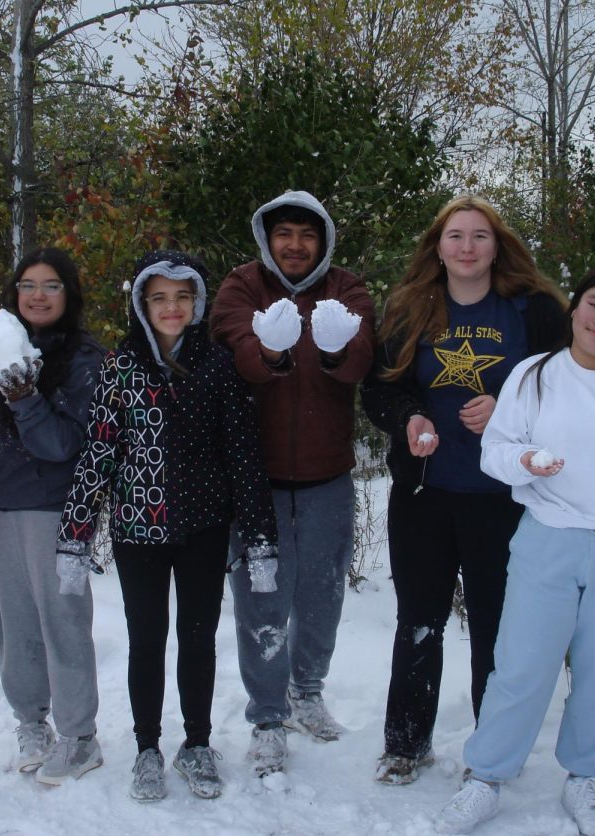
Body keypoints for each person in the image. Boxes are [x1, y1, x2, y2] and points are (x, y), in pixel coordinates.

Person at [437, 262, 595, 836]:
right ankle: (486, 776)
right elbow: (495, 451)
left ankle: (583, 776)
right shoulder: (533, 375)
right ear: (575, 309)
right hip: (546, 538)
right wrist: (525, 460)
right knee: (521, 665)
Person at [56, 249, 277, 802]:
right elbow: (99, 453)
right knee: (146, 640)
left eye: (182, 297)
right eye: (159, 298)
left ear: (197, 302)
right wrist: (76, 535)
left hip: (204, 528)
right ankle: (147, 748)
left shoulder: (219, 366)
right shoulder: (121, 367)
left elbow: (243, 455)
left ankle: (196, 744)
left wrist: (259, 537)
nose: (171, 307)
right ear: (142, 305)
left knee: (198, 640)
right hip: (138, 531)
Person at [360, 196, 567, 785]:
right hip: (425, 494)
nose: (468, 247)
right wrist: (409, 420)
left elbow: (573, 388)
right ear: (438, 246)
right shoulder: (409, 310)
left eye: (480, 236)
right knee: (418, 620)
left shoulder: (535, 310)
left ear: (497, 245)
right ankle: (405, 745)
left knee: (496, 626)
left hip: (504, 498)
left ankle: (493, 749)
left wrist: (510, 409)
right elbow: (378, 391)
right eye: (456, 236)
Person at [209, 190, 376, 776]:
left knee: (322, 593)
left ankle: (307, 690)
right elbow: (235, 348)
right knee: (261, 600)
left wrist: (335, 350)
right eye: (285, 233)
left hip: (329, 476)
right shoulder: (240, 287)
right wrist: (271, 352)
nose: (296, 245)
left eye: (308, 234)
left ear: (323, 240)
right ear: (267, 238)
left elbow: (360, 358)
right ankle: (268, 716)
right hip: (257, 480)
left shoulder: (348, 289)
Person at [0, 248, 105, 785]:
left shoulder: (85, 359)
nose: (38, 295)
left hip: (55, 512)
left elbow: (61, 445)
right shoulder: (3, 345)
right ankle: (31, 721)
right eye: (27, 285)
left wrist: (23, 394)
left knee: (62, 623)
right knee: (13, 624)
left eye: (51, 286)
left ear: (69, 295)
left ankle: (80, 735)